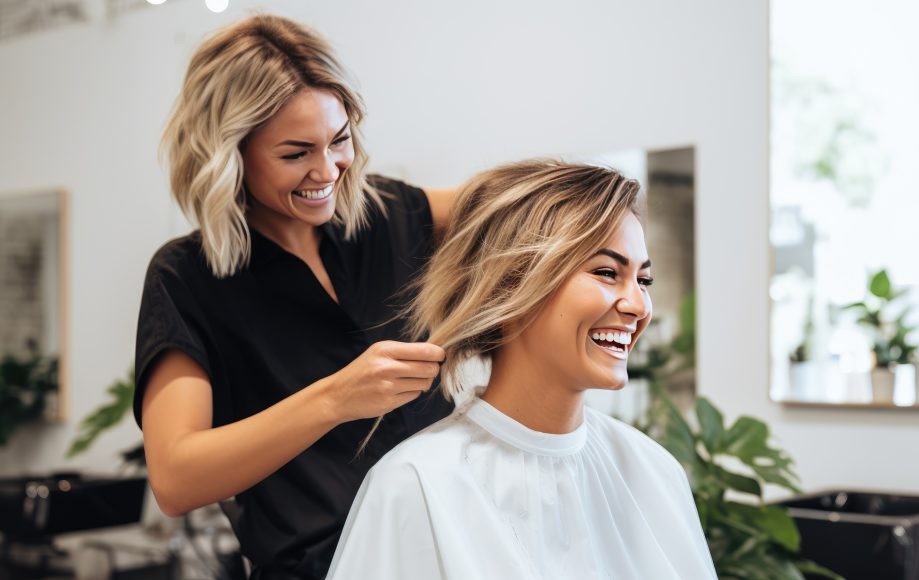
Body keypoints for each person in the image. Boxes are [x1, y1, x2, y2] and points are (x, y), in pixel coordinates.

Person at [133, 14, 456, 579]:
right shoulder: (185, 280)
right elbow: (176, 479)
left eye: (339, 140)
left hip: (452, 552)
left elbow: (513, 205)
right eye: (295, 153)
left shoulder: (390, 214)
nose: (327, 169)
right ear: (230, 155)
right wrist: (336, 398)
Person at [326, 160, 718, 579]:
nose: (638, 306)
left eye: (644, 280)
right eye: (607, 273)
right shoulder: (415, 484)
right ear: (511, 285)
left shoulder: (655, 474)